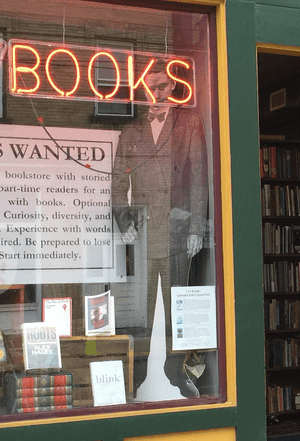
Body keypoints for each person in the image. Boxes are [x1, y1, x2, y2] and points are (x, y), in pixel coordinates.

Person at [112, 60, 209, 397]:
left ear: (172, 88)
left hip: (177, 231)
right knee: (140, 310)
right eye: (150, 87)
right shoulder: (131, 131)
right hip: (141, 234)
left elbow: (198, 175)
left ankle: (176, 373)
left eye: (162, 86)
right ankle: (136, 376)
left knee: (175, 306)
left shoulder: (189, 123)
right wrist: (123, 221)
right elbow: (115, 180)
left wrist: (197, 225)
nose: (155, 94)